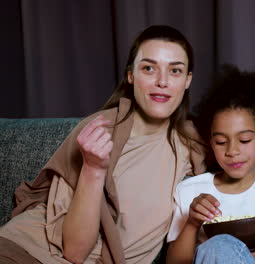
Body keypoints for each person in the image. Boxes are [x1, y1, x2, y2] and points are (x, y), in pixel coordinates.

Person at [0, 25, 206, 264]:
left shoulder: (193, 143)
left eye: (175, 71)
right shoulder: (99, 131)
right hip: (27, 251)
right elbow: (75, 252)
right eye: (149, 68)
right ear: (131, 75)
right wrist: (93, 169)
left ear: (188, 80)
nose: (162, 81)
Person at [165, 66, 255, 264]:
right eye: (220, 142)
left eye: (244, 140)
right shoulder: (191, 190)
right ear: (210, 142)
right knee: (218, 246)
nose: (232, 151)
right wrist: (193, 222)